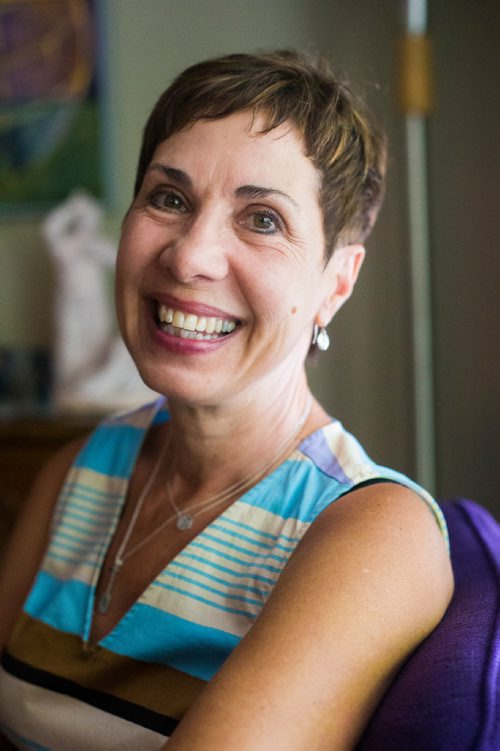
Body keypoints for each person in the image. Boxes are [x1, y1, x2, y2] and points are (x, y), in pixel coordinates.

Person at [0, 50, 453, 750]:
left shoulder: (373, 534)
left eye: (263, 219)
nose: (189, 257)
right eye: (169, 198)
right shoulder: (77, 470)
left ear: (337, 281)